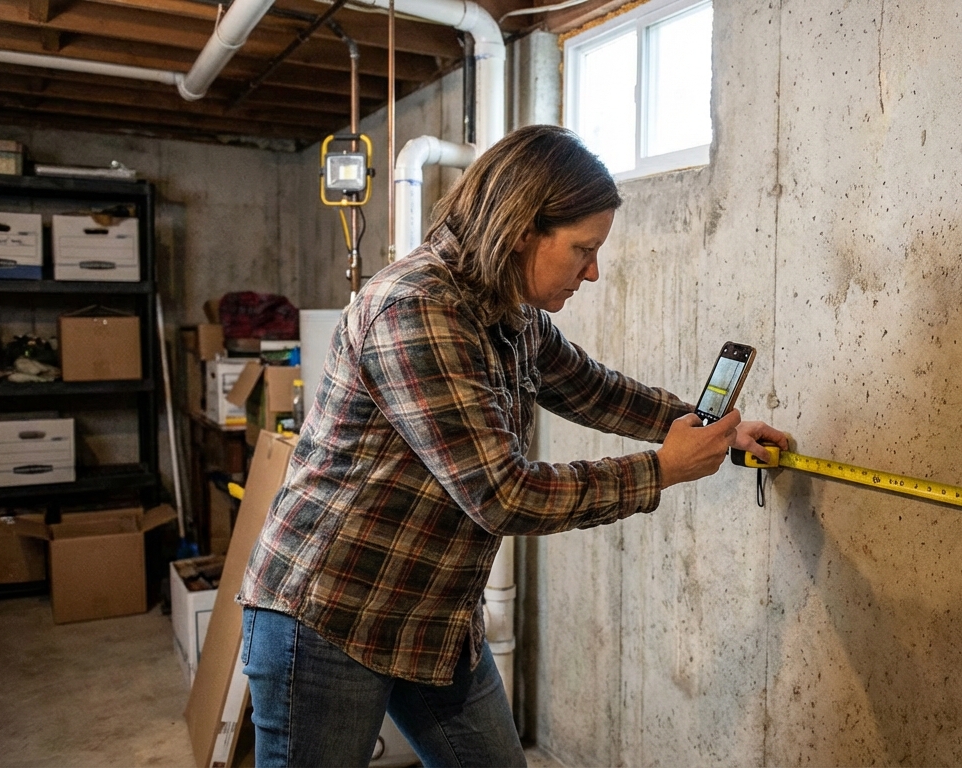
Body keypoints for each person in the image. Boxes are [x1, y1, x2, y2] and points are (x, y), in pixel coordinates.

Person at [236, 124, 787, 768]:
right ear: (523, 230)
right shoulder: (416, 309)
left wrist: (709, 424)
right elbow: (502, 494)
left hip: (431, 615)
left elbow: (590, 388)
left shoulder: (510, 309)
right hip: (332, 611)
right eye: (583, 249)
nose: (594, 271)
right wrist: (661, 469)